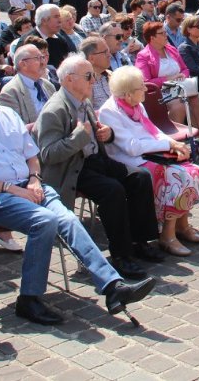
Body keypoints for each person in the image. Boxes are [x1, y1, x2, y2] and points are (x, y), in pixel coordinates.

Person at [0, 58, 154, 325]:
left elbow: (32, 154)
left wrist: (32, 179)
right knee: (46, 221)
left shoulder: (6, 115)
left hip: (29, 186)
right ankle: (29, 299)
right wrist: (11, 189)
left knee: (68, 219)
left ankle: (113, 287)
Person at [36, 57, 164, 277]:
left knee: (140, 177)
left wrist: (107, 133)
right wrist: (77, 138)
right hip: (74, 168)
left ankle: (140, 241)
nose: (93, 80)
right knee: (113, 191)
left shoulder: (83, 101)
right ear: (69, 79)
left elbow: (96, 134)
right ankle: (121, 255)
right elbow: (47, 155)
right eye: (88, 76)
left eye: (92, 75)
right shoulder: (54, 110)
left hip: (96, 160)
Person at [97, 66, 199, 257]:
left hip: (150, 153)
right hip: (129, 161)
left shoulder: (136, 105)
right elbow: (131, 146)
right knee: (177, 176)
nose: (146, 89)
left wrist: (174, 145)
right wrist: (167, 145)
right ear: (128, 93)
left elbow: (153, 131)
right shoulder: (110, 111)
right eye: (141, 87)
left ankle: (182, 225)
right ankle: (167, 235)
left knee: (193, 170)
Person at [135, 21, 199, 130]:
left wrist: (183, 75)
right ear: (152, 38)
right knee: (178, 106)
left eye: (165, 32)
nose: (165, 35)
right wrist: (168, 78)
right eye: (162, 33)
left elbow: (185, 69)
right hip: (160, 91)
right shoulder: (143, 56)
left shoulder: (171, 49)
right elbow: (146, 81)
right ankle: (172, 141)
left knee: (197, 101)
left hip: (180, 86)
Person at [0, 42, 56, 127]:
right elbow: (16, 129)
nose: (43, 62)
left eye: (43, 57)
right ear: (23, 64)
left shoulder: (48, 85)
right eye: (38, 58)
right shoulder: (10, 93)